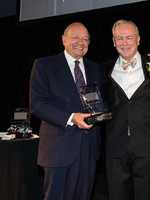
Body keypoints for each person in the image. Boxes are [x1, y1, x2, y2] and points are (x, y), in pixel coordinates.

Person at [30, 22, 103, 200]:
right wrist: (71, 118)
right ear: (63, 40)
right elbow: (37, 104)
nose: (81, 42)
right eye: (75, 37)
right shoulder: (44, 65)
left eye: (85, 39)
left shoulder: (95, 68)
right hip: (58, 150)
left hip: (89, 150)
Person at [104, 19, 150, 200]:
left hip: (148, 148)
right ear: (114, 42)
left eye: (129, 37)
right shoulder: (102, 69)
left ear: (138, 39)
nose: (124, 42)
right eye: (119, 38)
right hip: (115, 148)